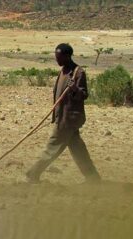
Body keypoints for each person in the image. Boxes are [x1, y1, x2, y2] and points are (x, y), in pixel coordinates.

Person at [26, 43, 101, 184]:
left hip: (68, 120)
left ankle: (33, 173)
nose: (57, 60)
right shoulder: (63, 71)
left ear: (67, 56)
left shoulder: (78, 72)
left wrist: (74, 89)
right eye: (56, 57)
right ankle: (93, 178)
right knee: (79, 150)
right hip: (62, 118)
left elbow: (84, 95)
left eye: (59, 57)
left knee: (52, 147)